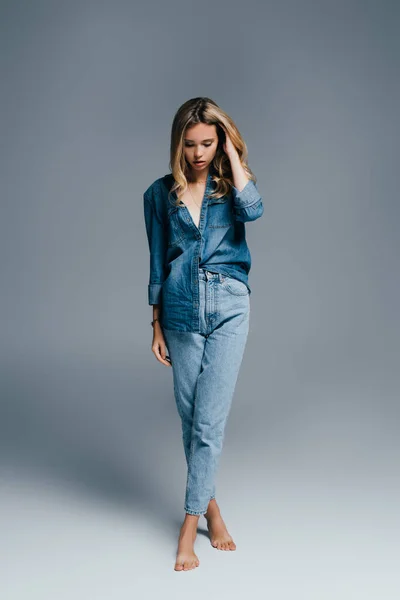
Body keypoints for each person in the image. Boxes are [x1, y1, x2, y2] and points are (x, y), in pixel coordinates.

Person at [143, 97, 264, 571]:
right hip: (180, 311)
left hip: (230, 307)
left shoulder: (229, 186)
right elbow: (157, 262)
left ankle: (188, 525)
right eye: (190, 144)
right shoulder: (158, 194)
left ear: (220, 141)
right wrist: (154, 323)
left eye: (208, 143)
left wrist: (233, 155)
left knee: (209, 422)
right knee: (193, 419)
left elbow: (253, 211)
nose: (198, 153)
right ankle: (213, 507)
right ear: (178, 143)